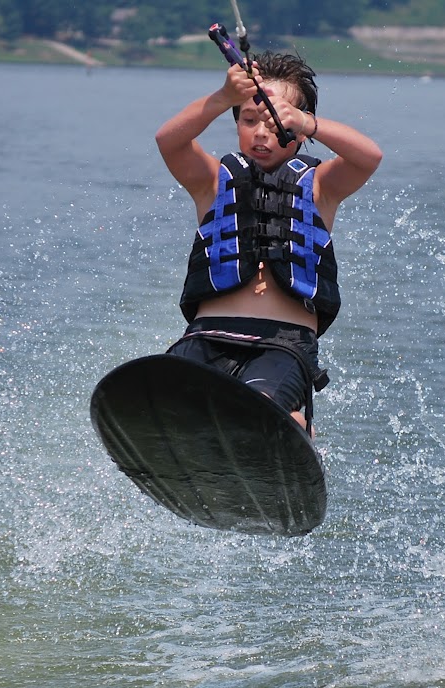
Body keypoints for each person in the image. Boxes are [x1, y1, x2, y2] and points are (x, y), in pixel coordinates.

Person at [155, 51, 382, 436]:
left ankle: (294, 425)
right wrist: (222, 97)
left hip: (283, 345)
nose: (260, 132)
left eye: (274, 122)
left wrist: (309, 122)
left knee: (255, 410)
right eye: (248, 120)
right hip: (207, 335)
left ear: (297, 132)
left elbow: (368, 157)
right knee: (165, 402)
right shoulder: (212, 182)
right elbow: (169, 141)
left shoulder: (322, 187)